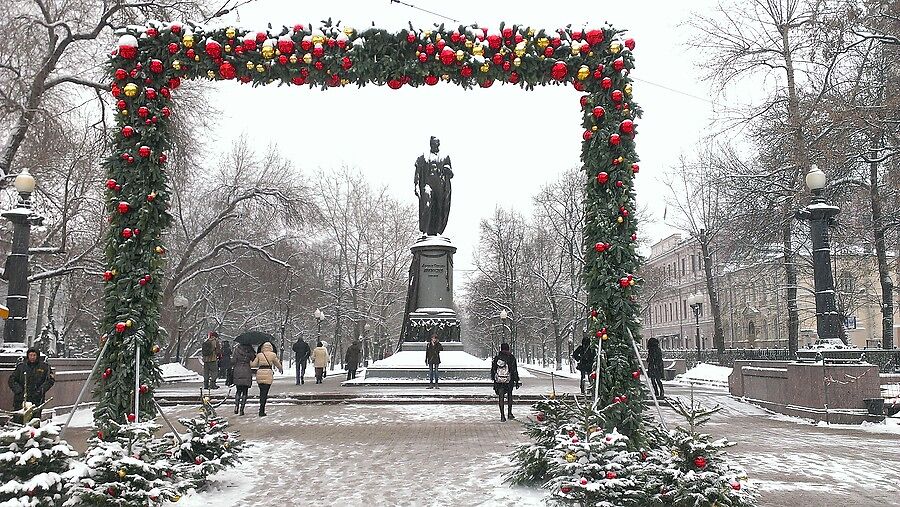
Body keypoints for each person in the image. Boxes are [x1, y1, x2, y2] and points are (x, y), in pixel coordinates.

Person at [7, 347, 55, 422]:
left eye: (34, 355)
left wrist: (40, 390)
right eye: (30, 355)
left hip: (36, 398)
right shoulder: (21, 367)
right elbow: (12, 380)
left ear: (37, 356)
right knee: (19, 419)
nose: (32, 357)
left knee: (34, 421)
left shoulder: (45, 367)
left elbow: (50, 380)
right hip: (21, 399)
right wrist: (18, 390)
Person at [250, 341, 283, 417]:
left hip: (260, 373)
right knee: (265, 392)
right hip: (268, 374)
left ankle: (261, 408)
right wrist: (280, 369)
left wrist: (250, 360)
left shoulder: (259, 355)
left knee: (262, 392)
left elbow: (253, 365)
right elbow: (277, 364)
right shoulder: (273, 355)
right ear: (270, 347)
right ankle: (262, 410)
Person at [491, 343, 520, 422]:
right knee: (509, 396)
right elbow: (514, 370)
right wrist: (516, 380)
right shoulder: (511, 358)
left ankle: (502, 416)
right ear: (508, 349)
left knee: (501, 397)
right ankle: (509, 414)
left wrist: (495, 379)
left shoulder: (497, 358)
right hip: (509, 380)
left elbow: (493, 370)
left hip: (499, 381)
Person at [231, 342, 256, 415]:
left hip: (238, 370)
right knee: (245, 391)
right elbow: (254, 359)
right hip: (246, 371)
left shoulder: (237, 350)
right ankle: (242, 409)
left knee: (238, 390)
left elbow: (233, 361)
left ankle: (236, 406)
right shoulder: (250, 351)